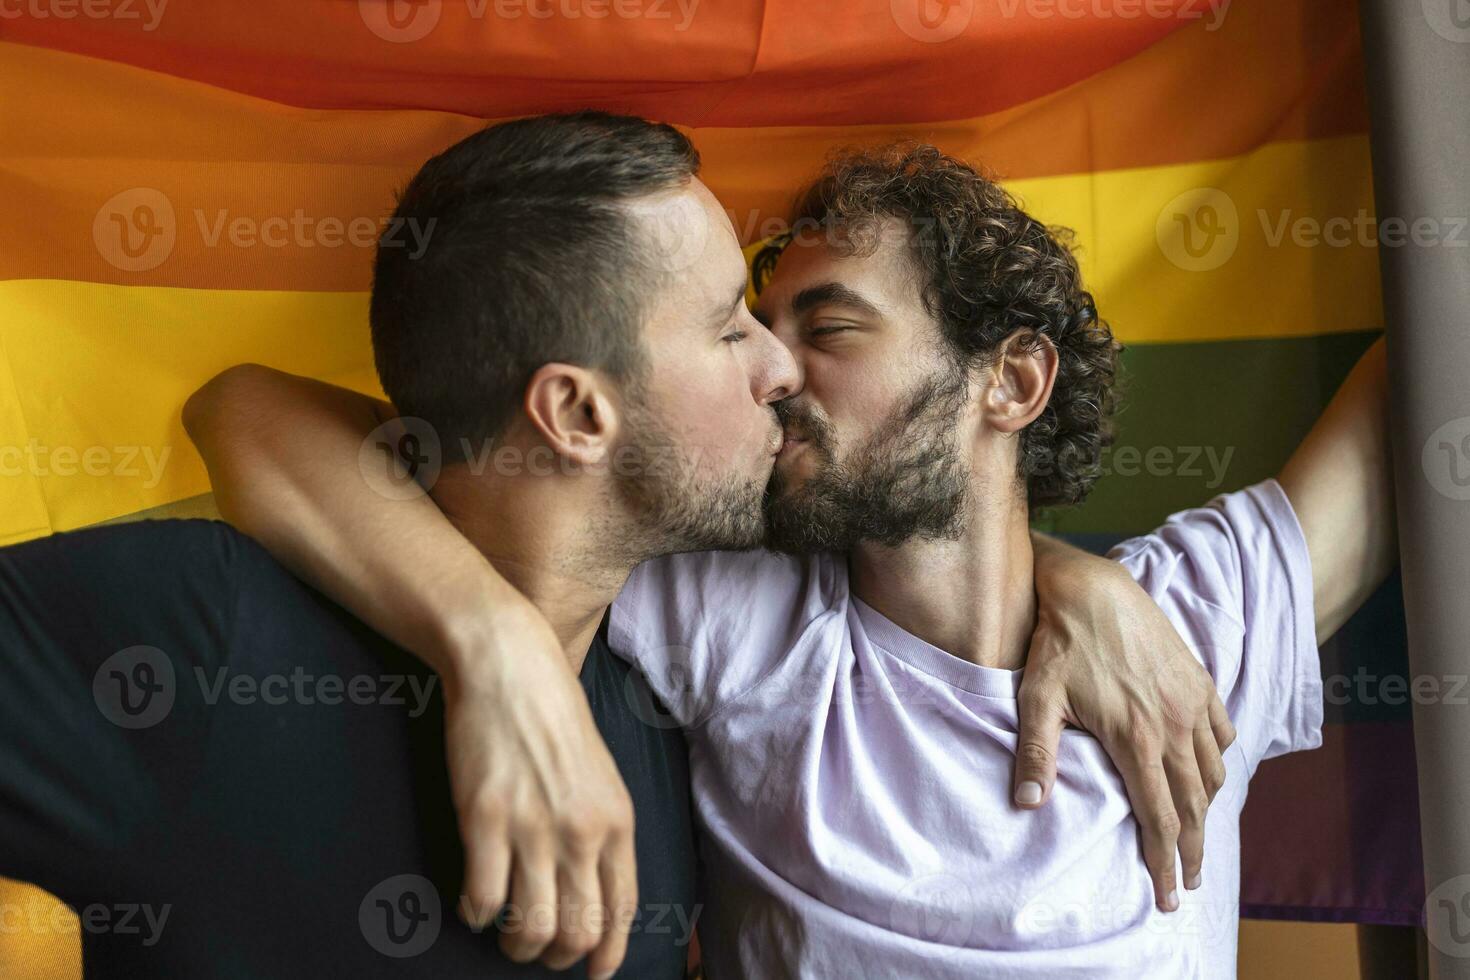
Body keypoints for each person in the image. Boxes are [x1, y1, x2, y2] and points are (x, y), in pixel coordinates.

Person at [0, 113, 1216, 979]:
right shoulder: (207, 632)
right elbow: (243, 404)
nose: (783, 368)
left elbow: (937, 526)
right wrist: (492, 648)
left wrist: (1073, 573)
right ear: (579, 413)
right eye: (729, 328)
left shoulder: (665, 705)